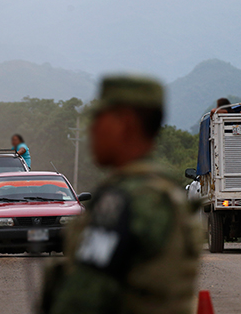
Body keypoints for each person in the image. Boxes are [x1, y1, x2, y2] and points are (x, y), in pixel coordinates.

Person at [41, 75, 201, 314]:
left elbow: (82, 298)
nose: (91, 129)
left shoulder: (126, 199)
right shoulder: (162, 190)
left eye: (97, 119)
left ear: (125, 123)